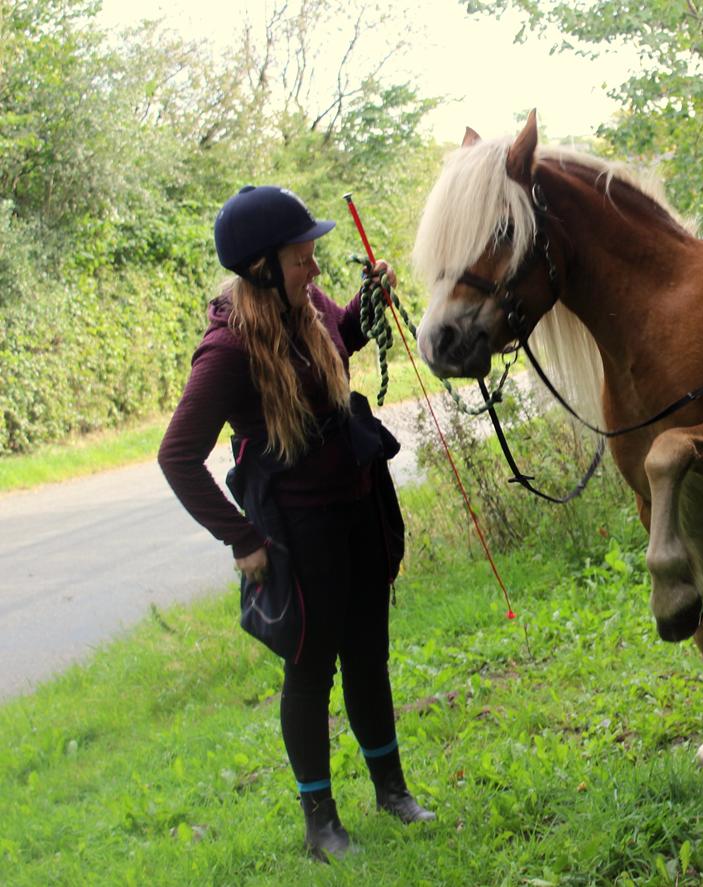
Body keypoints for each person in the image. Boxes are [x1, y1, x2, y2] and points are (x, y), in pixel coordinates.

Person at [158, 185, 434, 863]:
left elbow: (339, 337)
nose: (314, 268)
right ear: (261, 267)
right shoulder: (226, 350)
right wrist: (242, 538)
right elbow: (177, 455)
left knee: (369, 652)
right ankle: (321, 825)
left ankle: (392, 791)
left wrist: (370, 306)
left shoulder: (303, 303)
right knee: (311, 672)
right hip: (297, 529)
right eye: (301, 257)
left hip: (357, 502)